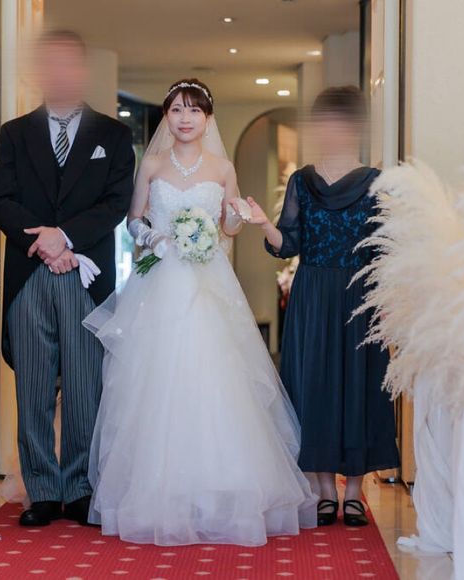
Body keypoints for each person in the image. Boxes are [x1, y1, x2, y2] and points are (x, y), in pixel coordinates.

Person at [82, 79, 317, 547]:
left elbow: (228, 227)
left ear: (208, 119)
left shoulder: (223, 167)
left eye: (193, 110)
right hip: (160, 281)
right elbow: (133, 220)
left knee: (215, 379)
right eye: (176, 110)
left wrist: (236, 218)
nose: (184, 118)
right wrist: (153, 237)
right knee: (158, 381)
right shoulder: (151, 165)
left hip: (209, 283)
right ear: (166, 117)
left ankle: (217, 492)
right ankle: (161, 493)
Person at [0, 29, 135, 527]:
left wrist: (65, 237)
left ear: (82, 71)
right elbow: (0, 198)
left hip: (85, 274)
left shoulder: (113, 135)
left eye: (68, 64)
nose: (60, 73)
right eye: (50, 64)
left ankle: (80, 488)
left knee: (84, 385)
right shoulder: (14, 133)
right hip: (30, 270)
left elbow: (116, 203)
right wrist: (45, 242)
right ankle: (43, 490)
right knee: (32, 385)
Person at [242, 86, 400, 527]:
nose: (333, 130)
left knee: (358, 386)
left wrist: (388, 301)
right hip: (311, 295)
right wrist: (264, 224)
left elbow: (385, 248)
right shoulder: (302, 181)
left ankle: (354, 492)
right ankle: (325, 490)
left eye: (342, 122)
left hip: (359, 297)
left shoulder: (376, 181)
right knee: (315, 387)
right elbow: (288, 243)